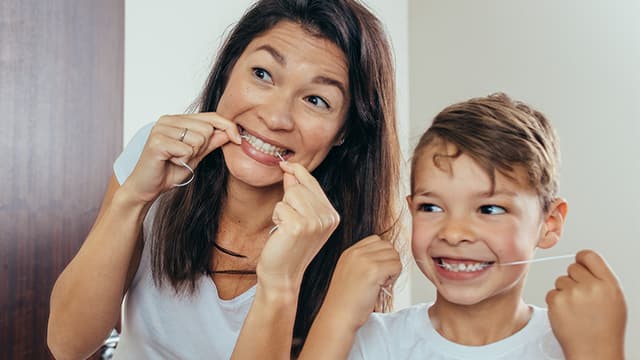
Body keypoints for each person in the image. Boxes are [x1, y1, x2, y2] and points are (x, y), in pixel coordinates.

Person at [46, 0, 402, 359]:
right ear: (228, 72)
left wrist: (281, 282)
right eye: (262, 74)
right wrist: (134, 199)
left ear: (344, 131)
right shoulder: (159, 153)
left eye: (315, 99)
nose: (276, 117)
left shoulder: (354, 254)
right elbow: (67, 344)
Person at [300, 93, 627, 359]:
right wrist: (337, 317)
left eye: (490, 208)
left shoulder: (577, 344)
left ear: (550, 223)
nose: (453, 233)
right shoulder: (374, 343)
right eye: (431, 207)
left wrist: (600, 352)